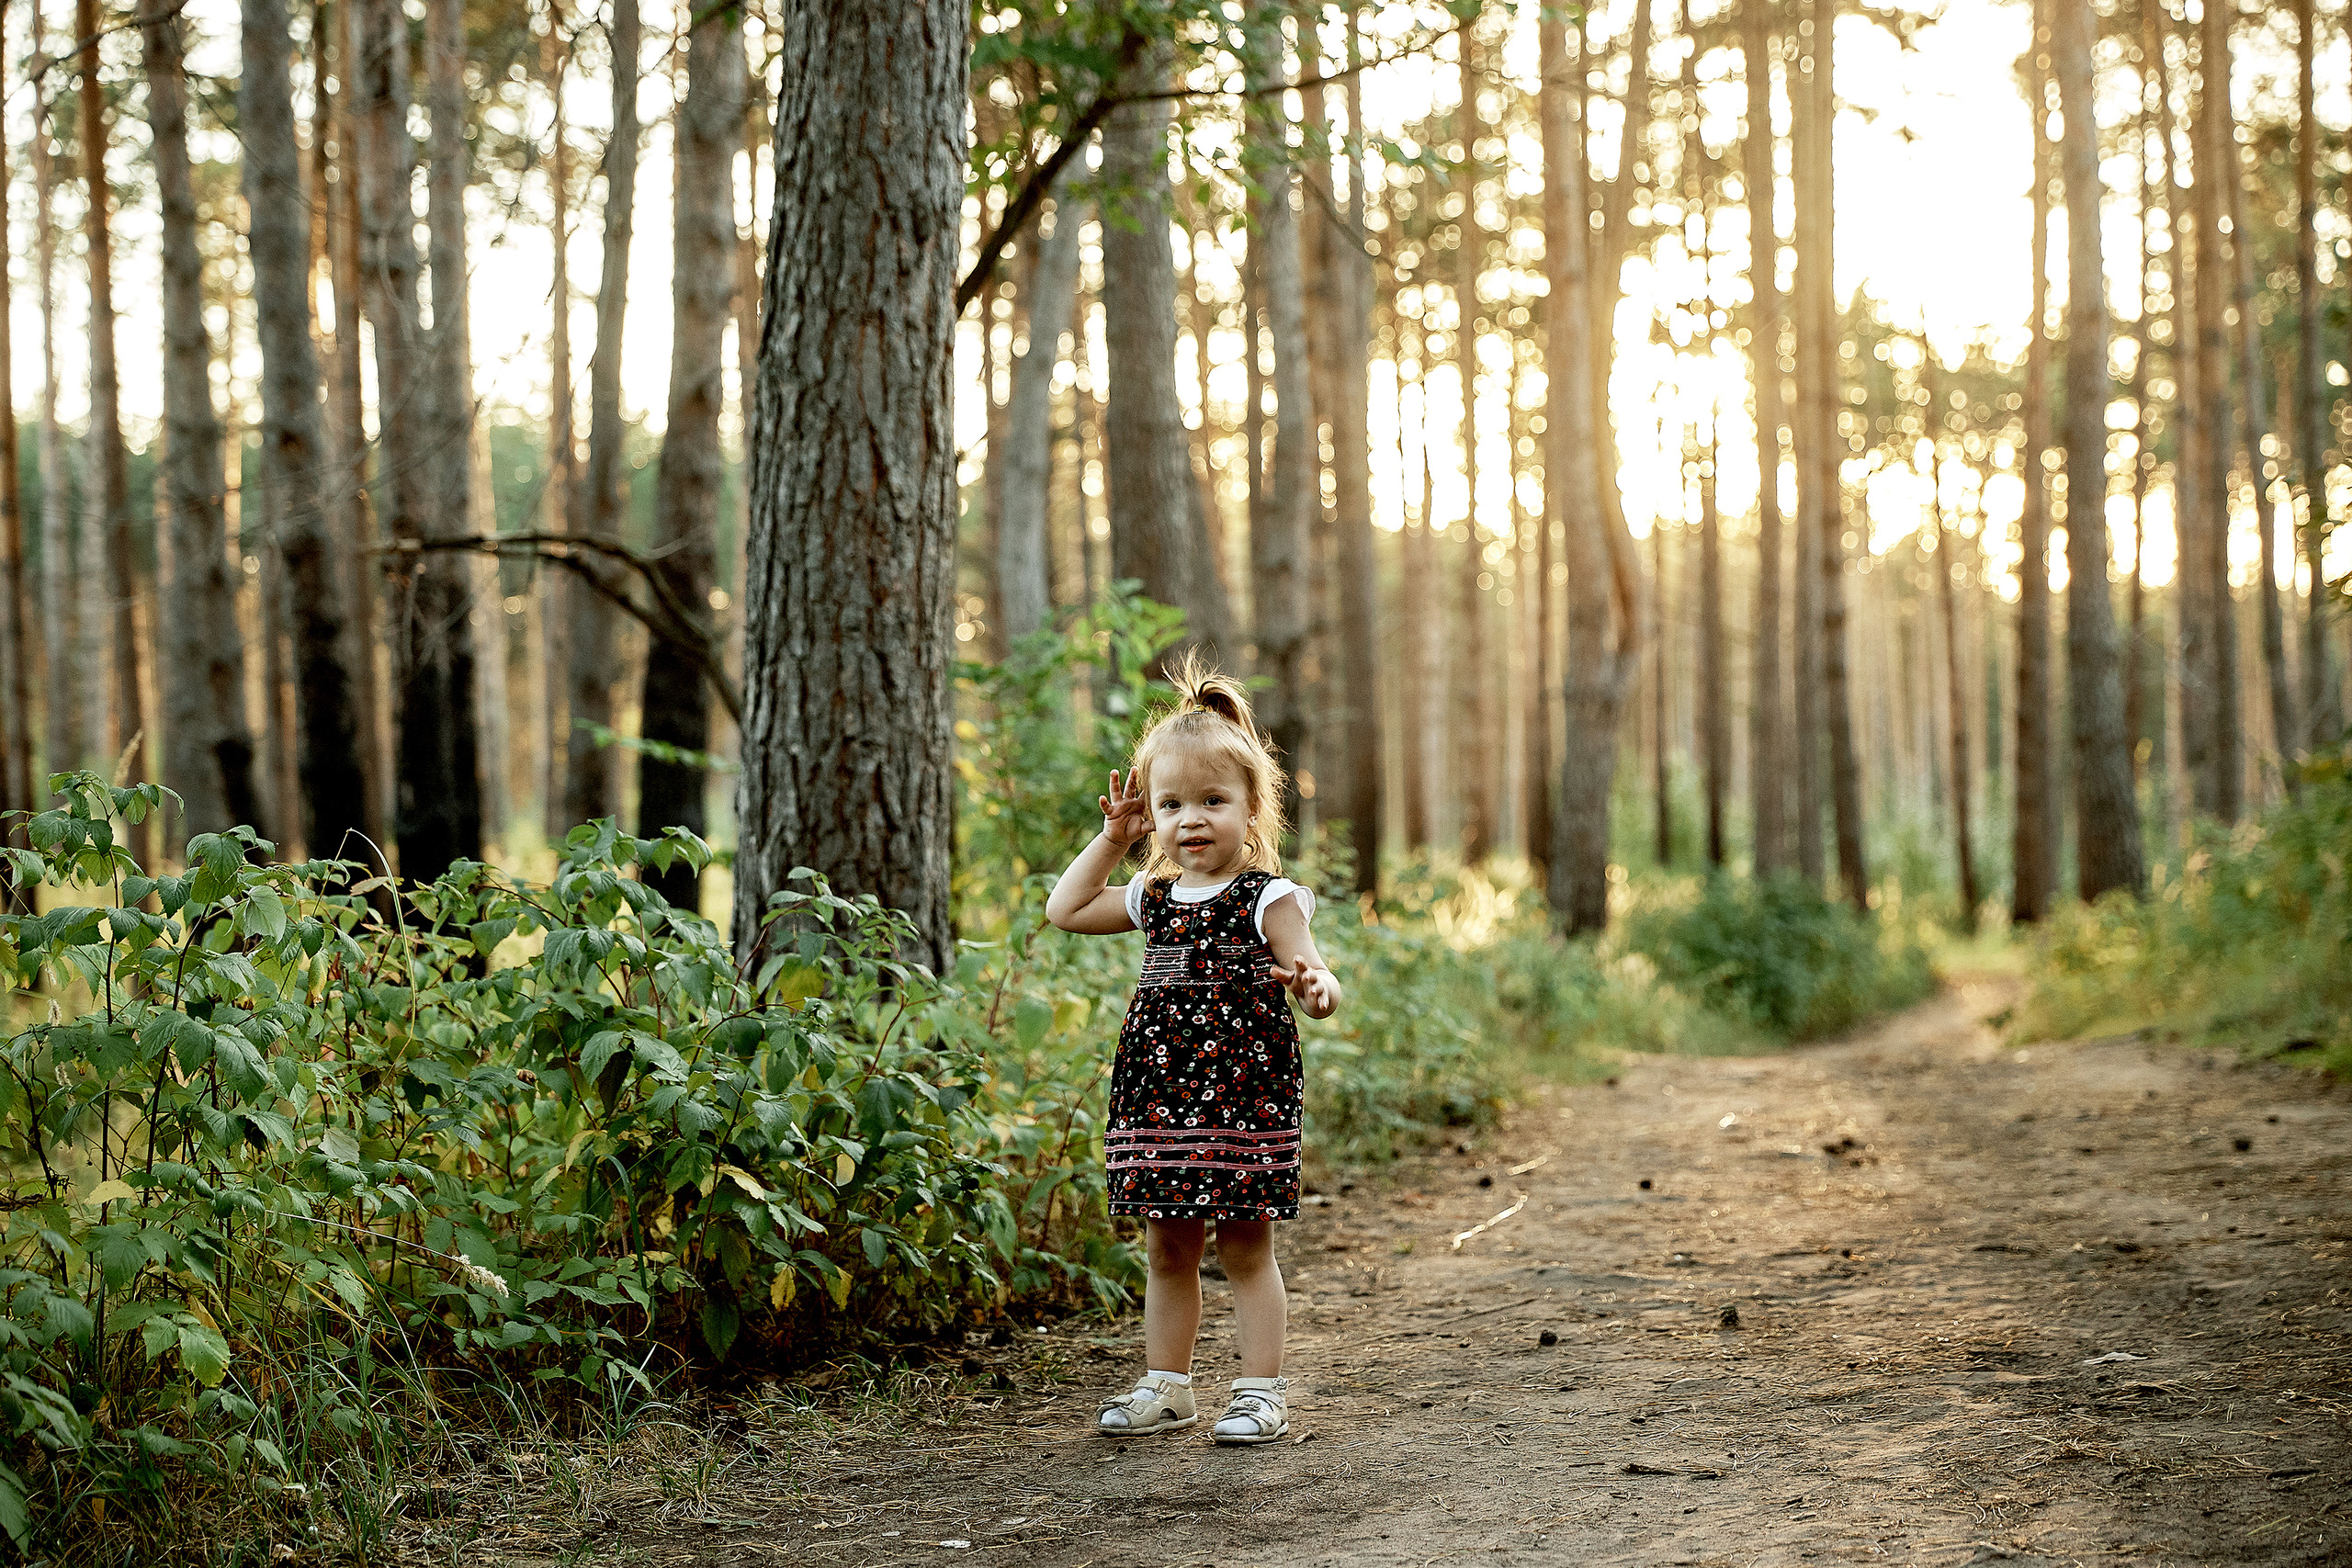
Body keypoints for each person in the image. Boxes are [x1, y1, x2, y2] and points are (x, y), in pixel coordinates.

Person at [1044, 653, 1342, 1445]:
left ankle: (1259, 1390)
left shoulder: (1267, 895)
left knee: (1246, 1246)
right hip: (1159, 1093)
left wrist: (1317, 988)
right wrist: (1112, 840)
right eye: (1172, 803)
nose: (1192, 819)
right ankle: (1167, 1386)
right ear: (1154, 815)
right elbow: (1065, 908)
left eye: (1213, 800)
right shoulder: (1152, 895)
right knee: (1168, 1247)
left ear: (1252, 809)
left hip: (1245, 1094)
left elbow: (1313, 966)